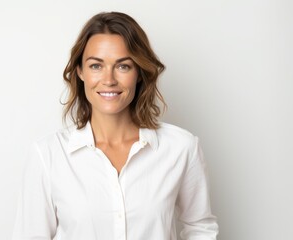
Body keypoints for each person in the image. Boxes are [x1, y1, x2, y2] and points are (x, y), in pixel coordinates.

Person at [12, 11, 218, 240]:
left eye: (123, 66)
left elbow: (200, 227)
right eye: (96, 66)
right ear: (80, 71)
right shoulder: (48, 156)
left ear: (139, 72)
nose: (108, 80)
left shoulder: (181, 148)